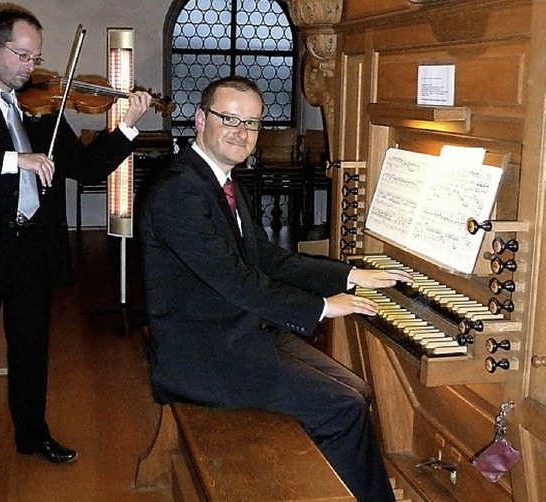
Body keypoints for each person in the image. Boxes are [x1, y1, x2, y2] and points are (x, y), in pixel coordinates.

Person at [138, 75, 413, 502]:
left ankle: (335, 486)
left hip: (233, 331)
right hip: (202, 354)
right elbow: (237, 281)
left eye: (251, 123)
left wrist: (348, 276)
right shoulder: (179, 192)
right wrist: (321, 306)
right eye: (229, 118)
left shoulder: (219, 181)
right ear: (200, 119)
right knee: (344, 410)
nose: (241, 132)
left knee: (355, 391)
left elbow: (265, 258)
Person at [0, 7, 152, 501]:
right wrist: (16, 160)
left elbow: (88, 167)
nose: (31, 66)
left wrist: (128, 127)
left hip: (32, 252)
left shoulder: (43, 110)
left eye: (36, 56)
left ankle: (32, 435)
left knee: (32, 352)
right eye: (22, 55)